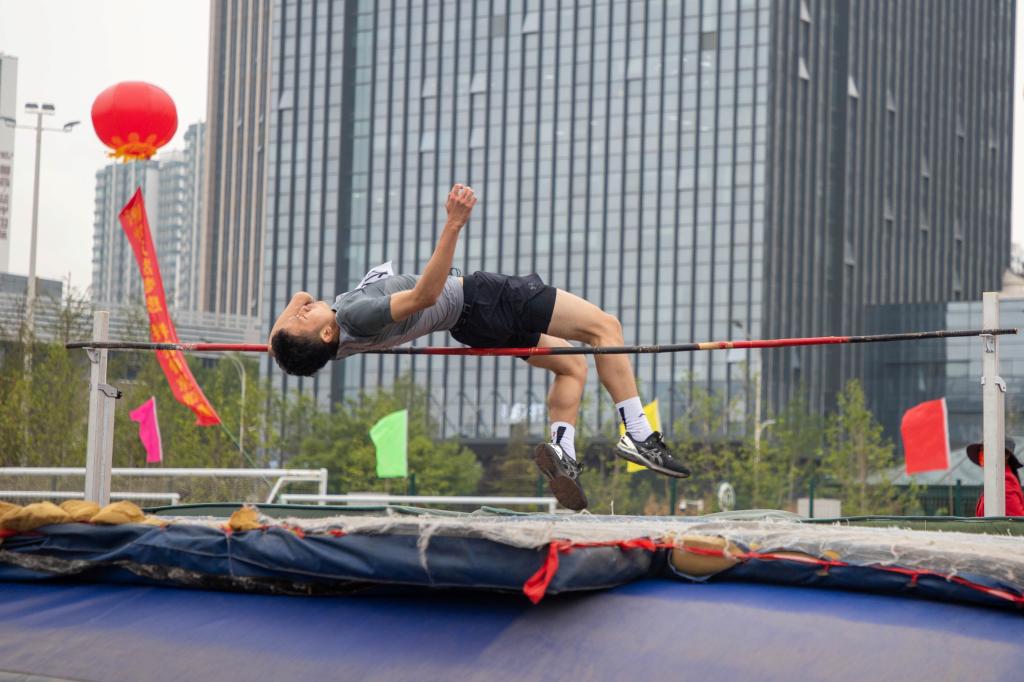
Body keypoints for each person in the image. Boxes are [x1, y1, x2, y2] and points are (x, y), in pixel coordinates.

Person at [269, 184, 690, 511]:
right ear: (326, 335)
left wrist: (300, 316)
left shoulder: (332, 347)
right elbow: (424, 296)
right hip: (483, 298)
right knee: (605, 329)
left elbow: (281, 339)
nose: (300, 310)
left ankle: (562, 449)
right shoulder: (354, 316)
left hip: (473, 325)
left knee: (571, 365)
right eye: (302, 319)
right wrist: (453, 223)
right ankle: (639, 435)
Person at [966, 438, 1024, 516]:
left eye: (988, 451)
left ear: (1006, 456)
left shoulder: (1004, 482)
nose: (983, 456)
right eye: (981, 452)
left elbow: (1016, 520)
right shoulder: (998, 480)